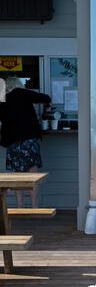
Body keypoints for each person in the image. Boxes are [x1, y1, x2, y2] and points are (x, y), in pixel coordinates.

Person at [0, 77, 51, 207]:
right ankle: (34, 207)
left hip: (13, 143)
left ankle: (20, 206)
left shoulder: (3, 99)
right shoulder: (23, 93)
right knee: (32, 176)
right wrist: (47, 108)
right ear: (18, 85)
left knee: (18, 177)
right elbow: (46, 98)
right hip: (29, 141)